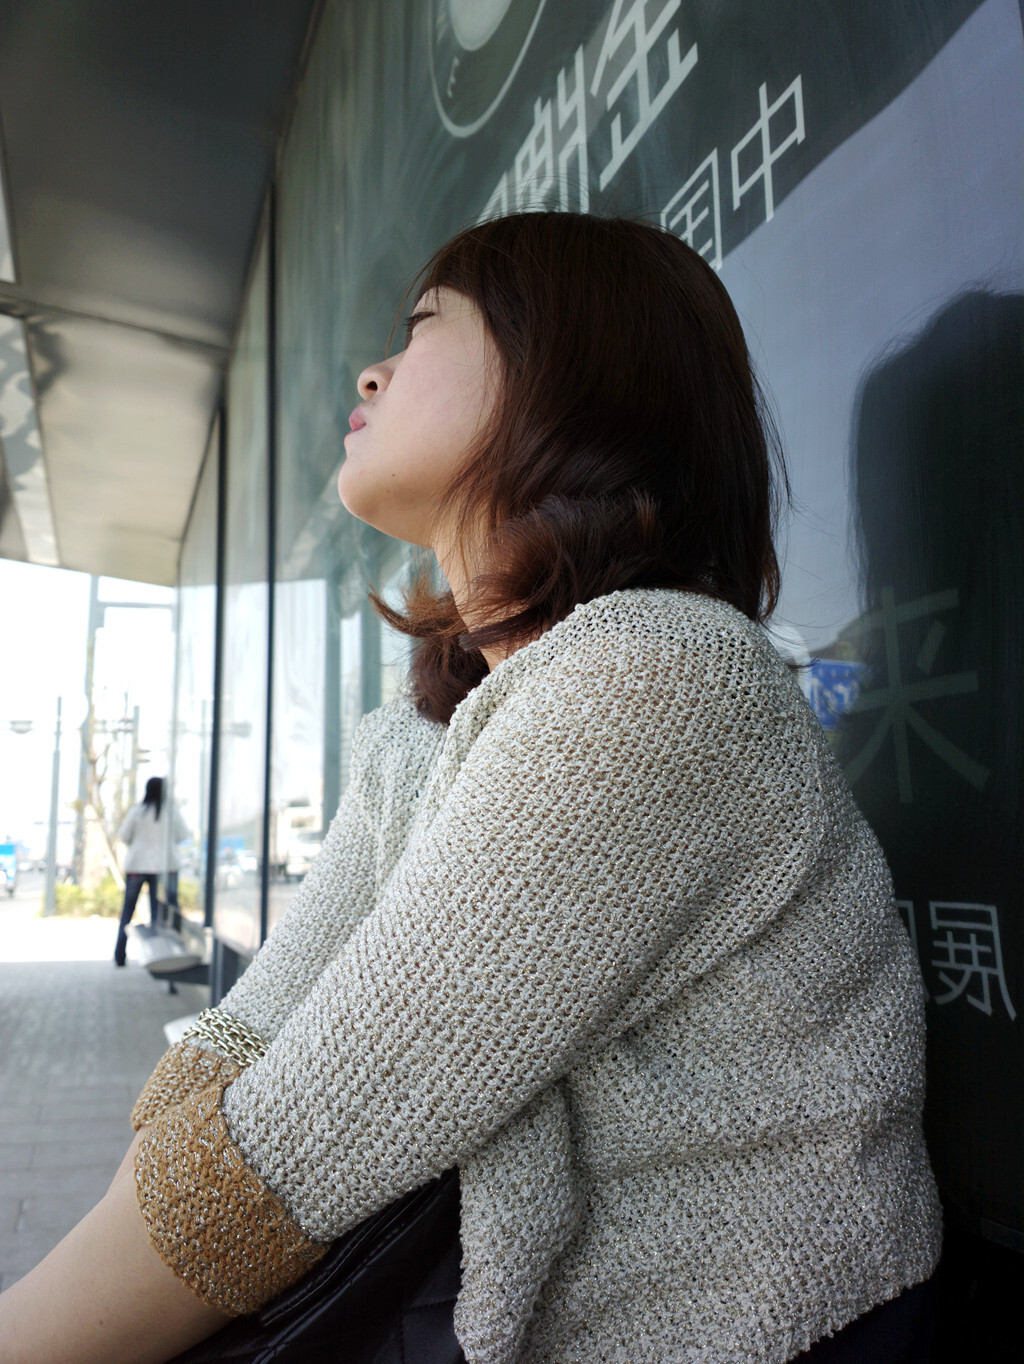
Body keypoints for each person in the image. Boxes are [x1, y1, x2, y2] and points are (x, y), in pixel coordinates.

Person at [0, 212, 941, 1363]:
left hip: (777, 1334)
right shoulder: (422, 729)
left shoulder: (660, 678)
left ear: (567, 379)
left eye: (421, 328)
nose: (370, 369)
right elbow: (252, 1030)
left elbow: (297, 1141)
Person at [113, 777, 190, 967]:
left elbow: (124, 836)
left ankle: (119, 955)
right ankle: (161, 958)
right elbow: (183, 836)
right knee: (161, 914)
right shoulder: (172, 812)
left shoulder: (137, 811)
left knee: (128, 911)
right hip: (165, 867)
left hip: (137, 866)